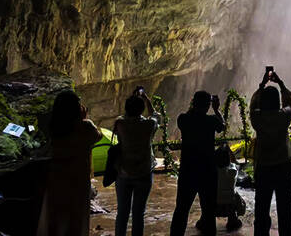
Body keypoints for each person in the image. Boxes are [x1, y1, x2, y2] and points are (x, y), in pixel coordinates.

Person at [36, 90, 102, 236]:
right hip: (77, 182)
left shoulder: (52, 127)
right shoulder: (85, 127)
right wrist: (84, 118)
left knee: (55, 221)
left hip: (56, 180)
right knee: (76, 222)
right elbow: (98, 136)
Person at [170, 90, 225, 236]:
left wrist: (194, 106)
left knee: (181, 209)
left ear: (193, 103)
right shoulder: (211, 121)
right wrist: (217, 109)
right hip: (208, 172)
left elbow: (189, 115)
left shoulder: (183, 119)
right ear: (208, 105)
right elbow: (222, 126)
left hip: (188, 171)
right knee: (209, 211)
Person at [250, 69, 291, 236]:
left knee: (261, 208)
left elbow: (253, 105)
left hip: (263, 166)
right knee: (286, 208)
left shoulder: (257, 117)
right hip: (283, 166)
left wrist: (262, 85)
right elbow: (290, 103)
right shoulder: (283, 116)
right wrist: (281, 84)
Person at [113, 87, 160, 236]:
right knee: (139, 213)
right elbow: (155, 115)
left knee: (122, 212)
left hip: (123, 172)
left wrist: (132, 101)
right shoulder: (149, 125)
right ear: (142, 109)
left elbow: (124, 116)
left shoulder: (120, 124)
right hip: (144, 172)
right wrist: (145, 98)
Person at [213, 144, 245, 231]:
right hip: (230, 205)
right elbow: (235, 161)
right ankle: (232, 221)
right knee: (235, 196)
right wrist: (229, 150)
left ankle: (205, 221)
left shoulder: (211, 171)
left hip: (214, 205)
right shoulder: (233, 170)